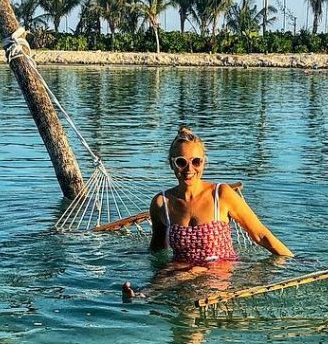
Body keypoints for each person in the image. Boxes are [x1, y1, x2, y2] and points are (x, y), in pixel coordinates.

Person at [122, 126, 293, 301]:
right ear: (172, 163)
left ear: (204, 162)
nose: (189, 169)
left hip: (219, 270)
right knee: (179, 280)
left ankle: (145, 294)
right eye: (181, 162)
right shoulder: (161, 203)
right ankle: (144, 294)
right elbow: (158, 248)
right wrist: (133, 256)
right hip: (178, 269)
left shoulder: (222, 194)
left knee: (193, 281)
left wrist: (292, 261)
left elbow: (261, 235)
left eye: (196, 161)